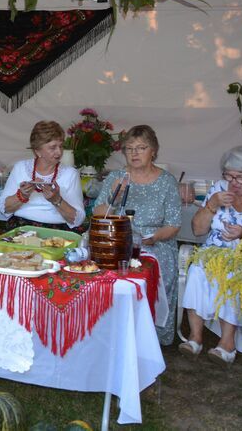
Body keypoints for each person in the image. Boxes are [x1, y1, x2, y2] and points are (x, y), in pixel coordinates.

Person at [179, 146, 242, 365]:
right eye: (229, 175)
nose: (233, 183)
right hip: (214, 251)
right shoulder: (219, 188)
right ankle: (195, 339)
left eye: (241, 178)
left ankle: (227, 344)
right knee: (197, 267)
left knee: (233, 272)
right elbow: (197, 229)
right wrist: (212, 204)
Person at [92, 124, 181, 345]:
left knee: (158, 266)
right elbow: (97, 213)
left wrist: (155, 237)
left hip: (154, 243)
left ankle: (148, 338)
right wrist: (114, 197)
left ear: (153, 151)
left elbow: (174, 224)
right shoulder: (117, 177)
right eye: (129, 148)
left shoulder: (167, 181)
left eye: (141, 148)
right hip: (118, 242)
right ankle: (111, 332)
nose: (134, 153)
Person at [0, 121, 84, 231]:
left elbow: (78, 219)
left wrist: (57, 200)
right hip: (21, 228)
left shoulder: (70, 174)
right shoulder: (21, 168)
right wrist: (22, 195)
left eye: (61, 146)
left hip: (56, 233)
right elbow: (3, 208)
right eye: (53, 147)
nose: (59, 152)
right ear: (38, 151)